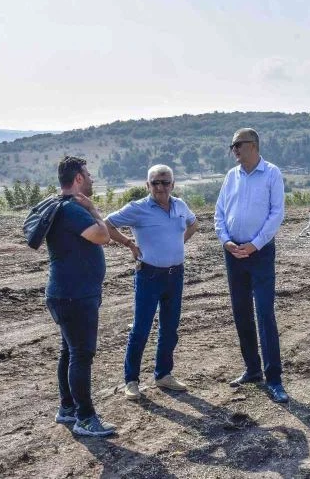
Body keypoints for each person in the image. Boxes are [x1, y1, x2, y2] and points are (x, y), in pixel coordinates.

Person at [105, 164, 198, 400]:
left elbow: (193, 223)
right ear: (147, 185)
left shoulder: (180, 206)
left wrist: (178, 243)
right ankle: (131, 380)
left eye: (165, 182)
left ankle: (163, 374)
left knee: (170, 328)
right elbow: (107, 224)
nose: (160, 187)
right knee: (141, 329)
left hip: (175, 275)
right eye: (155, 182)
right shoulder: (138, 209)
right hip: (149, 275)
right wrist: (128, 243)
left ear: (173, 185)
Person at [214, 128, 288, 403]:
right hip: (234, 254)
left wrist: (255, 244)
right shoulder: (231, 177)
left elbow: (277, 213)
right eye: (231, 146)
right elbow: (219, 212)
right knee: (241, 312)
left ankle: (275, 378)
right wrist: (226, 241)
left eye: (237, 145)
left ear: (253, 146)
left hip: (260, 253)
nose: (233, 150)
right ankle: (252, 369)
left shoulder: (271, 174)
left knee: (265, 314)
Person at [46, 156, 116, 437]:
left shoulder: (60, 207)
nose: (92, 179)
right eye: (88, 174)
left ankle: (67, 408)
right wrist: (95, 210)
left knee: (70, 351)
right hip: (75, 296)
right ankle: (85, 418)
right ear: (77, 179)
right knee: (81, 354)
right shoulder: (74, 211)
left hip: (66, 294)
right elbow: (103, 236)